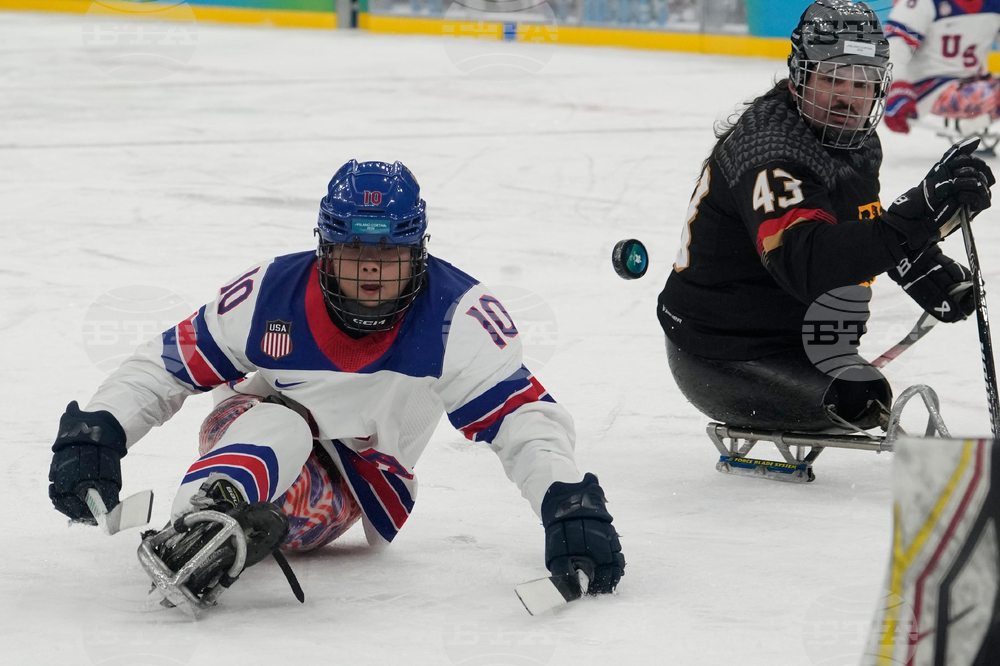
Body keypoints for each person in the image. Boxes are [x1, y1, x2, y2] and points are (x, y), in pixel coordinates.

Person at [48, 160, 625, 614]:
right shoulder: (266, 294)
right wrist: (100, 428)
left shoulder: (459, 317)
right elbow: (168, 365)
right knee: (279, 421)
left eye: (389, 252)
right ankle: (200, 520)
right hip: (247, 432)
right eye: (354, 250)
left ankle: (225, 532)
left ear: (419, 252)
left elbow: (523, 422)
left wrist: (569, 504)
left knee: (289, 433)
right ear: (325, 248)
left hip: (349, 486)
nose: (370, 269)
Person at [656, 0, 995, 433]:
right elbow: (809, 265)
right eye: (832, 78)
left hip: (803, 338)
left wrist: (917, 261)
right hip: (724, 351)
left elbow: (857, 221)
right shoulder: (771, 152)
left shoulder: (858, 139)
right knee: (858, 400)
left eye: (863, 82)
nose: (847, 97)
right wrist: (915, 219)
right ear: (800, 79)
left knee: (861, 395)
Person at [883, 0, 1000, 146]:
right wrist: (897, 86)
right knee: (982, 93)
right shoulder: (922, 3)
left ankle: (979, 122)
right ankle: (977, 123)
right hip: (929, 88)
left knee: (983, 92)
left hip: (974, 81)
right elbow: (896, 45)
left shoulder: (994, 5)